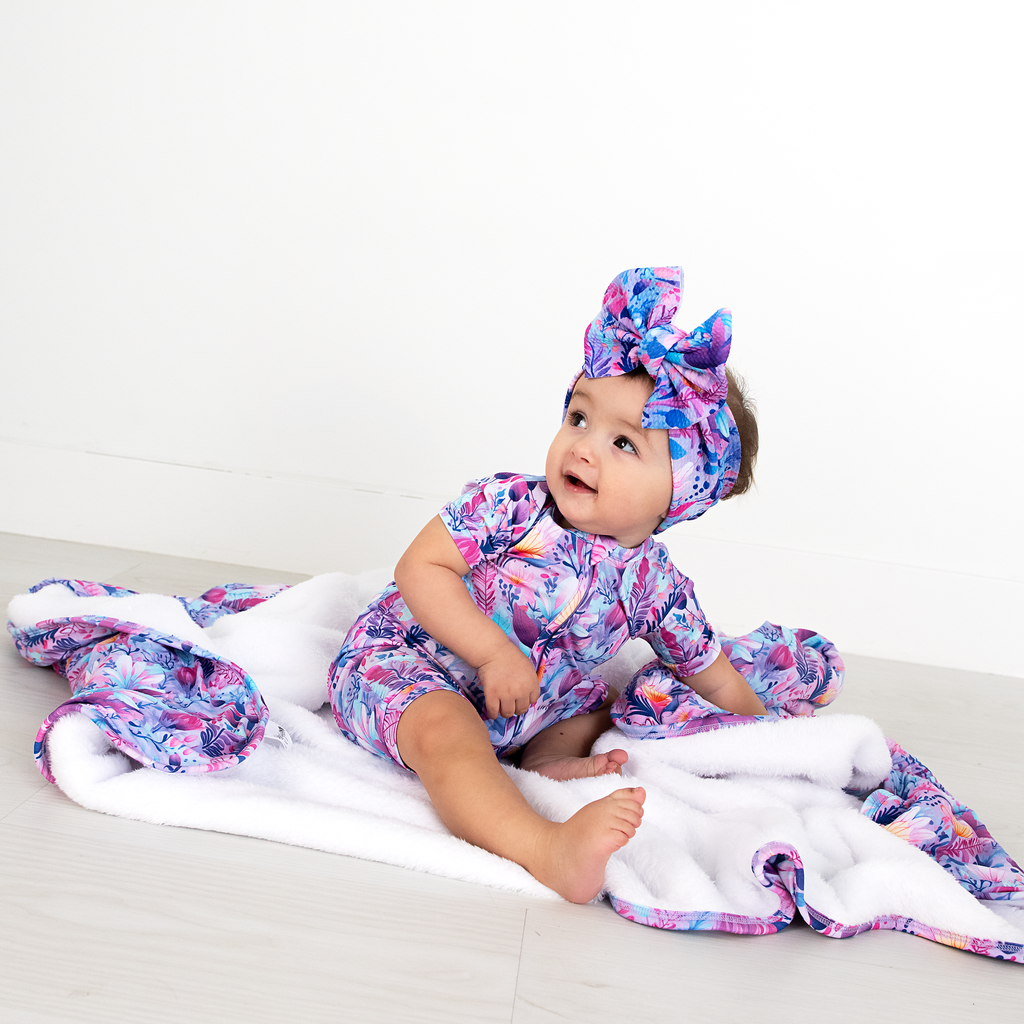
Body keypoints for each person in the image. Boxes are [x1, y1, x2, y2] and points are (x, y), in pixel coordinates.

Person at [329, 266, 842, 903]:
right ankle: (544, 847)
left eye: (624, 442)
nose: (584, 447)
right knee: (446, 731)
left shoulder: (656, 587)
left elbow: (712, 678)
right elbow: (419, 569)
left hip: (527, 700)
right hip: (409, 664)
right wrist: (492, 653)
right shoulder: (509, 506)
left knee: (610, 697)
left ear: (679, 494)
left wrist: (770, 742)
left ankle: (543, 760)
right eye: (578, 417)